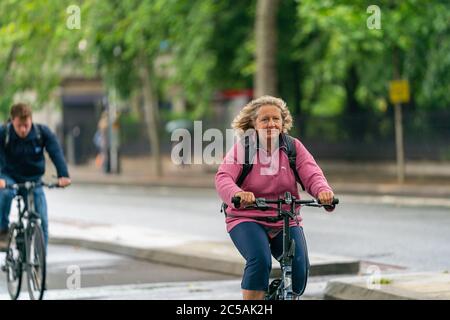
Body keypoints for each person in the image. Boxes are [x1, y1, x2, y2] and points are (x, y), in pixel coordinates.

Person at [215, 95, 335, 300]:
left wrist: (323, 192)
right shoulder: (244, 148)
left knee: (299, 269)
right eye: (264, 119)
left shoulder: (292, 147)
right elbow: (223, 177)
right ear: (254, 123)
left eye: (275, 119)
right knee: (260, 260)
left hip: (285, 218)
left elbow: (312, 174)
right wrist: (237, 194)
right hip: (247, 218)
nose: (271, 123)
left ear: (282, 122)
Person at [0, 103, 71, 249]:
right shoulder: (4, 133)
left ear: (31, 120)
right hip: (9, 177)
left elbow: (55, 152)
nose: (23, 129)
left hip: (33, 179)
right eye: (19, 125)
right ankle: (2, 231)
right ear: (12, 120)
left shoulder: (41, 132)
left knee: (42, 220)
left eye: (26, 125)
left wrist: (63, 175)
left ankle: (40, 263)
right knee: (5, 194)